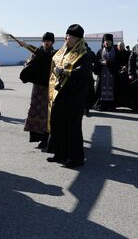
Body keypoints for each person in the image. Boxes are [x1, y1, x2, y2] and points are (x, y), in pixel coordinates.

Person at [46, 24, 90, 168]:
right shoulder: (63, 51)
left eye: (70, 36)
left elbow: (82, 73)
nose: (67, 38)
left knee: (73, 127)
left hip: (74, 96)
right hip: (60, 95)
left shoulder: (84, 53)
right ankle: (60, 153)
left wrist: (65, 72)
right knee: (58, 124)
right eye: (67, 35)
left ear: (77, 39)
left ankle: (76, 158)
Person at [17, 32, 56, 149]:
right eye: (45, 41)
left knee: (46, 114)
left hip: (49, 87)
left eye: (49, 41)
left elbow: (43, 55)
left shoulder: (54, 53)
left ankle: (46, 139)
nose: (46, 43)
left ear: (52, 42)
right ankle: (38, 138)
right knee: (35, 111)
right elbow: (30, 64)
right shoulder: (37, 53)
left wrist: (26, 45)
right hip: (37, 87)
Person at [93, 34, 118, 111]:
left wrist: (108, 63)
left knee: (113, 90)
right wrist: (101, 62)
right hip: (102, 74)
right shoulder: (100, 51)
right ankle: (101, 105)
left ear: (111, 42)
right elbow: (96, 61)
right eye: (106, 41)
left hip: (112, 74)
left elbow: (118, 62)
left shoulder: (116, 51)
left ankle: (111, 106)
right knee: (100, 90)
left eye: (109, 41)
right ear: (103, 42)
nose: (107, 42)